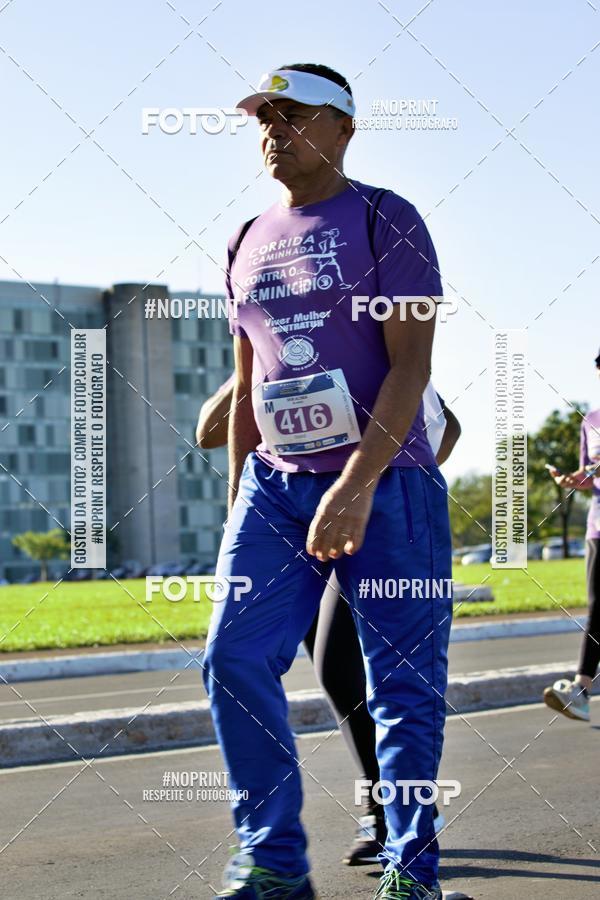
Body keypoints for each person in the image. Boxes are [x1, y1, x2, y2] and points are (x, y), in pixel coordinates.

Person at [201, 62, 454, 900]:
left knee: (402, 688)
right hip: (275, 488)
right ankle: (273, 863)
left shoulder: (387, 219)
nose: (274, 132)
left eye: (294, 115)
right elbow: (249, 387)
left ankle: (411, 873)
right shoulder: (245, 238)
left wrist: (356, 483)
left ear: (344, 127)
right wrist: (237, 506)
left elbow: (411, 368)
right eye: (264, 119)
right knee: (233, 659)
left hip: (389, 483)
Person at [197, 378, 461, 866]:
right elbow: (207, 432)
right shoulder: (273, 354)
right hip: (291, 515)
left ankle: (396, 819)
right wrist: (255, 371)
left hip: (365, 517)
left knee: (346, 666)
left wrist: (384, 483)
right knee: (312, 669)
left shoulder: (370, 352)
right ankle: (366, 819)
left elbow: (449, 429)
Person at [543, 347, 600, 722]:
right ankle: (580, 691)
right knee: (598, 606)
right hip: (599, 526)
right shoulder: (590, 421)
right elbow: (589, 475)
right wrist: (571, 480)